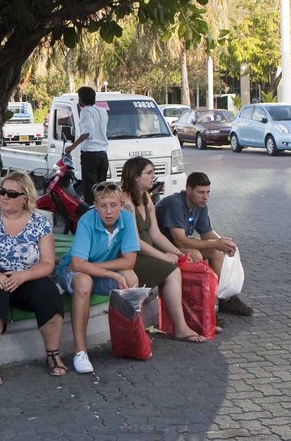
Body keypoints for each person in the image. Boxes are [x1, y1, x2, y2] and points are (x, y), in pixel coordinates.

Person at [0, 171, 66, 384]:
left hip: (23, 276)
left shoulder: (39, 223)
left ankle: (53, 353)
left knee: (48, 292)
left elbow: (47, 263)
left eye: (11, 193)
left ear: (25, 198)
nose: (5, 197)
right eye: (2, 191)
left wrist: (25, 275)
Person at [55, 181, 139, 374]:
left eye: (113, 205)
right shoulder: (86, 220)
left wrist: (93, 268)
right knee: (84, 281)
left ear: (121, 205)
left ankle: (128, 341)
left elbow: (129, 262)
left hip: (93, 269)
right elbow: (76, 265)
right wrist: (109, 273)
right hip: (70, 270)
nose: (108, 211)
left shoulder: (127, 218)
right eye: (103, 206)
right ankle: (80, 351)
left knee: (130, 278)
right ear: (95, 205)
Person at [119, 158, 206, 343]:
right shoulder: (126, 202)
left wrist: (178, 253)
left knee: (187, 260)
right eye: (149, 173)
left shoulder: (146, 198)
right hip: (132, 255)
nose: (154, 176)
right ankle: (180, 328)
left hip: (147, 251)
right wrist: (163, 256)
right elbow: (135, 241)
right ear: (135, 177)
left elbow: (156, 234)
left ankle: (197, 319)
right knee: (173, 272)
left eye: (153, 172)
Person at [155, 172, 253, 317]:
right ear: (189, 190)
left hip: (177, 246)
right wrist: (215, 243)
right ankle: (198, 307)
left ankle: (224, 299)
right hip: (160, 248)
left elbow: (207, 233)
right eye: (201, 192)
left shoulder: (200, 205)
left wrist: (224, 243)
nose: (205, 197)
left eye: (208, 192)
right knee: (195, 254)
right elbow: (180, 240)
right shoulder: (174, 204)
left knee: (217, 251)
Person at [64, 86, 109, 206]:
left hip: (90, 154)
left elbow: (87, 132)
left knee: (90, 191)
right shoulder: (102, 111)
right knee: (101, 189)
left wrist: (71, 147)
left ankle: (91, 212)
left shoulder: (85, 111)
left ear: (82, 99)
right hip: (103, 154)